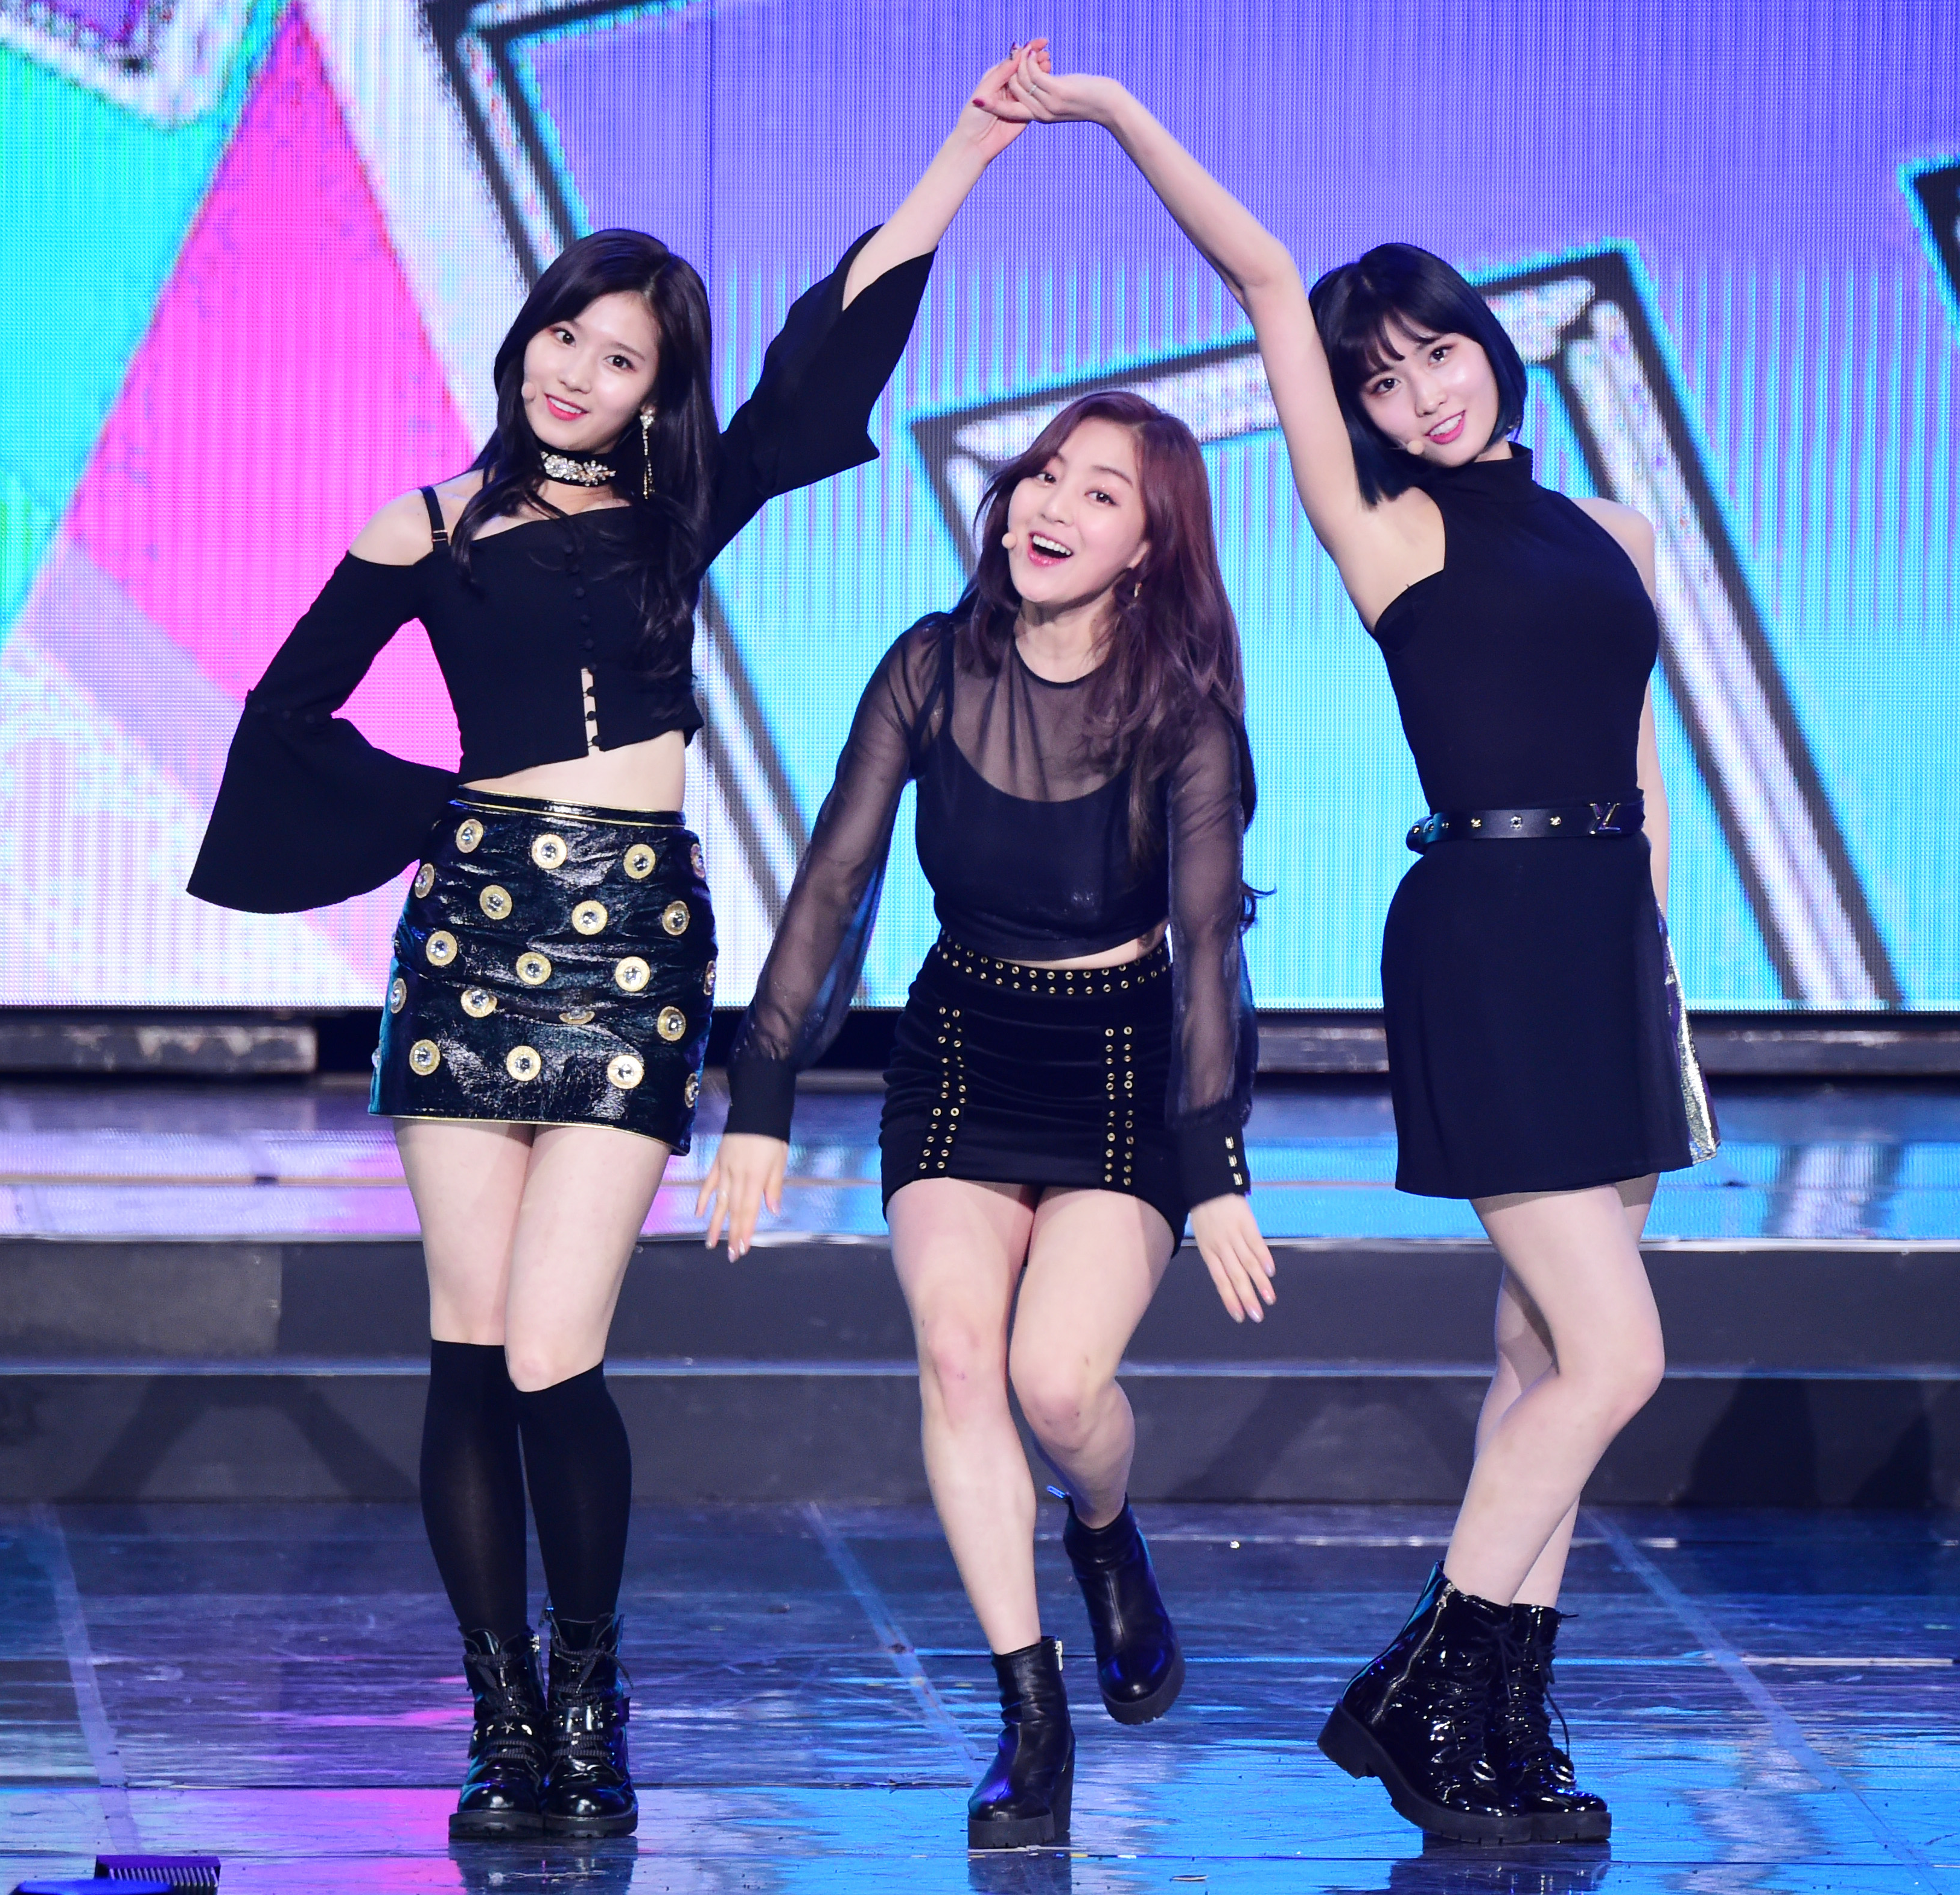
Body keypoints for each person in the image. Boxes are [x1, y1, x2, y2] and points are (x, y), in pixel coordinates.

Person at [186, 59, 1037, 1842]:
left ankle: (591, 1694)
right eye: (562, 334)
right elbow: (283, 717)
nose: (574, 370)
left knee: (556, 1349)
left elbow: (824, 364)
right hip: (470, 947)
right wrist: (442, 813)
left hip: (633, 942)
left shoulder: (677, 510)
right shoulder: (425, 526)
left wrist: (963, 149)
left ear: (659, 392)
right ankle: (504, 1721)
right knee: (470, 1336)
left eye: (620, 356)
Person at [994, 51, 1714, 1847]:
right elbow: (1260, 277)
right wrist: (1115, 112)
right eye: (1377, 379)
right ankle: (1422, 1685)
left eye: (1434, 353)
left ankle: (1501, 1734)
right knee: (1615, 1358)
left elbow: (1641, 772)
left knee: (1539, 1364)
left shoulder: (1614, 529)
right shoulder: (1382, 527)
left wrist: (1664, 982)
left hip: (1606, 947)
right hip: (1485, 934)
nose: (1417, 393)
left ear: (1488, 345)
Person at [699, 389, 1273, 1850]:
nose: (1050, 506)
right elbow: (833, 882)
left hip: (1122, 1066)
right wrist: (761, 1091)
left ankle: (1104, 1533)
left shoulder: (1184, 718)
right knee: (961, 1356)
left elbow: (1207, 947)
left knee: (1057, 1387)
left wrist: (1211, 1162)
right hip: (960, 1049)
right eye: (1043, 476)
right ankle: (1030, 1716)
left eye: (1099, 493)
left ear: (1148, 548)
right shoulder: (930, 664)